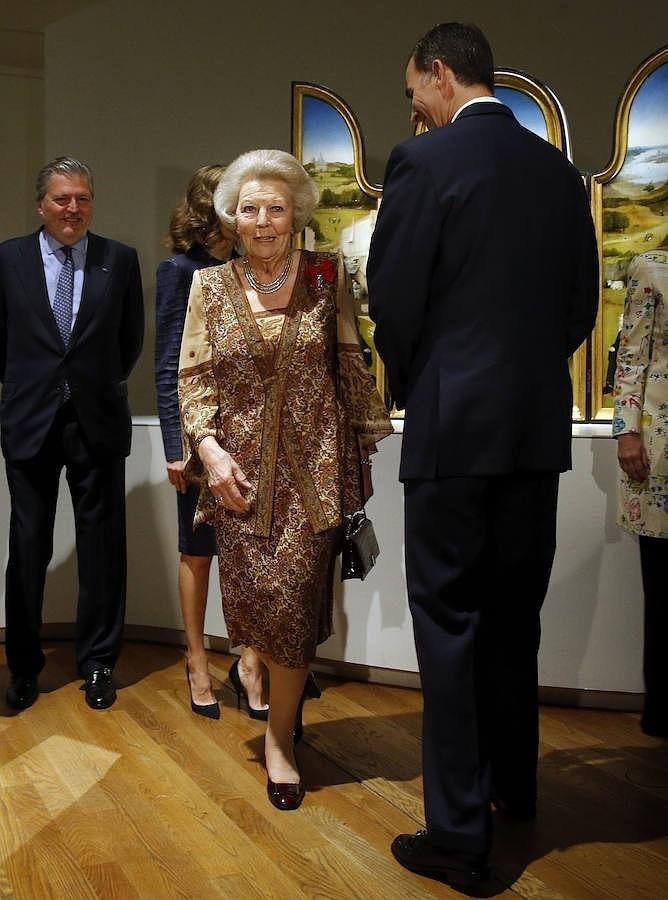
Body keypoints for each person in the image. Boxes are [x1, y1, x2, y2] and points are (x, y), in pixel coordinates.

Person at [367, 23, 599, 891]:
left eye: (412, 89)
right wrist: (529, 374)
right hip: (533, 430)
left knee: (451, 624)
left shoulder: (422, 163)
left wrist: (417, 378)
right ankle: (516, 792)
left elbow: (394, 295)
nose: (414, 106)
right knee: (514, 618)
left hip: (452, 429)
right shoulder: (558, 172)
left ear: (437, 72)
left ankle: (460, 839)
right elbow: (580, 299)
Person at [178, 148, 392, 810]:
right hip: (236, 475)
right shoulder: (209, 287)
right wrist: (208, 452)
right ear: (232, 220)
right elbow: (193, 376)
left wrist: (364, 444)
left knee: (295, 603)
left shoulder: (327, 278)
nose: (263, 221)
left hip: (314, 472)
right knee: (253, 599)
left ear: (296, 213)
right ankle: (251, 661)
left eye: (276, 208)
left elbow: (352, 359)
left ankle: (279, 740)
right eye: (250, 209)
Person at [0, 156, 144, 711]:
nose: (73, 208)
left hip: (97, 424)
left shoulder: (120, 260)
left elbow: (129, 340)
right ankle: (23, 667)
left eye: (82, 198)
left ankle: (99, 663)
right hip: (30, 423)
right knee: (27, 548)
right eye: (62, 199)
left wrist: (92, 385)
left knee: (102, 550)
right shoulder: (8, 260)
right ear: (41, 204)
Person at [155, 164, 267, 720]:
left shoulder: (250, 269)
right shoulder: (180, 272)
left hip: (247, 432)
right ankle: (196, 659)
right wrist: (176, 445)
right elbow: (169, 365)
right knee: (197, 552)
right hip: (198, 434)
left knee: (247, 554)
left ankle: (247, 660)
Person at [613, 245, 668, 739]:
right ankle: (664, 707)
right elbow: (630, 355)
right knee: (664, 581)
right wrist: (625, 431)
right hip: (663, 446)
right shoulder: (653, 267)